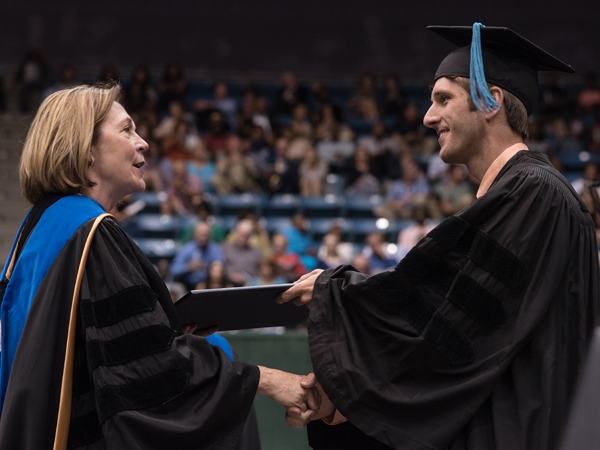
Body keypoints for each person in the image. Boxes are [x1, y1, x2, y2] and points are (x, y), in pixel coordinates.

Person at [278, 24, 600, 450]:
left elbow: (446, 315)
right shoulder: (522, 195)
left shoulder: (534, 193)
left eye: (443, 99)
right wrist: (340, 403)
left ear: (491, 102)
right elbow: (459, 340)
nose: (429, 117)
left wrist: (339, 291)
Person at [0, 82, 320, 449]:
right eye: (126, 130)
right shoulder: (91, 234)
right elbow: (145, 369)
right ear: (85, 149)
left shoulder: (40, 227)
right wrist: (271, 380)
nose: (143, 142)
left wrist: (166, 329)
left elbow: (101, 353)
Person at [168, 222, 224, 291]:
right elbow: (174, 269)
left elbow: (220, 266)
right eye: (201, 234)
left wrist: (207, 267)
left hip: (208, 286)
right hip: (188, 285)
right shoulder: (188, 248)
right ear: (195, 234)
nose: (203, 238)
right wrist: (188, 267)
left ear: (209, 235)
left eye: (205, 235)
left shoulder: (215, 249)